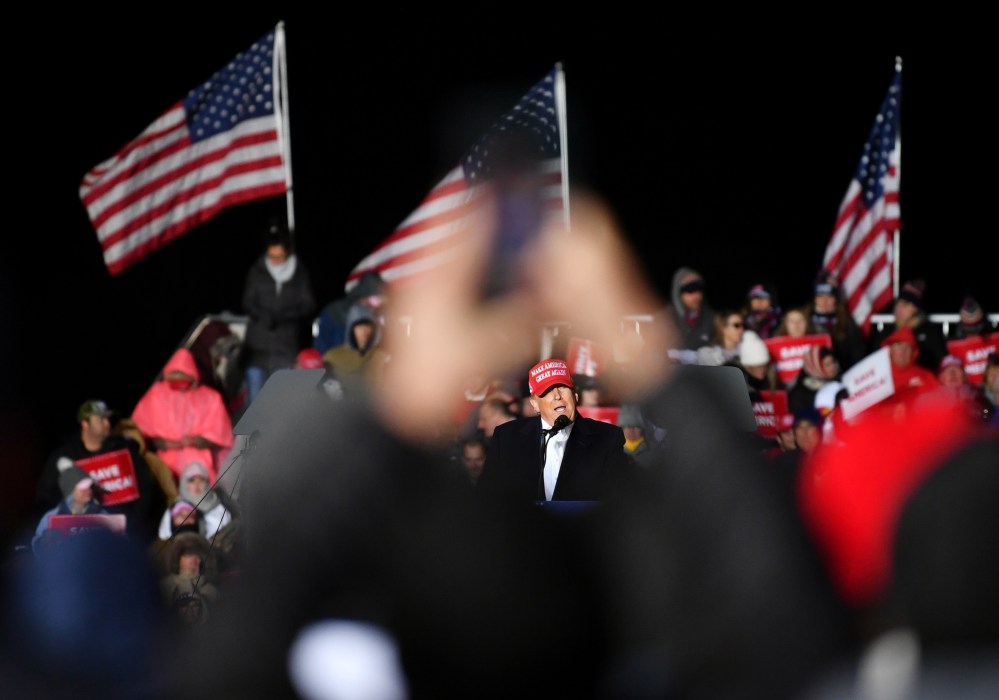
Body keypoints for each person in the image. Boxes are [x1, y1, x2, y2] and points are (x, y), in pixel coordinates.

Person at [168, 192, 852, 700]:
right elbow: (788, 621)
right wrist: (648, 362)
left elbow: (229, 662)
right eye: (548, 392)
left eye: (563, 392)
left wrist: (397, 408)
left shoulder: (601, 438)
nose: (557, 401)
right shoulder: (514, 438)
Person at [478, 357, 632, 503]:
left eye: (562, 387)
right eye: (547, 391)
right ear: (535, 405)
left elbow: (618, 502)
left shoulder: (606, 438)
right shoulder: (507, 438)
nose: (557, 396)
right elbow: (488, 498)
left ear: (575, 395)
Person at [34, 399, 163, 544]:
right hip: (75, 539)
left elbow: (147, 488)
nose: (107, 424)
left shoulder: (124, 451)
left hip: (121, 537)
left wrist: (131, 525)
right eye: (101, 419)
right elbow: (45, 495)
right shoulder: (65, 455)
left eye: (108, 419)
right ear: (85, 423)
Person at [131, 347, 235, 484]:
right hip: (167, 466)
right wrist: (161, 443)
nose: (180, 387)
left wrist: (197, 441)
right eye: (175, 383)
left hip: (200, 465)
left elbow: (222, 433)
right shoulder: (155, 395)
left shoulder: (209, 397)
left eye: (184, 382)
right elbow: (137, 430)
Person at [241, 219, 317, 405]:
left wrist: (285, 316)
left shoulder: (299, 272)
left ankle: (278, 435)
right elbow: (247, 302)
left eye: (280, 256)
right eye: (272, 255)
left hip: (285, 349)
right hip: (257, 349)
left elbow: (308, 306)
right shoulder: (257, 271)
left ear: (287, 251)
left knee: (281, 404)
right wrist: (262, 315)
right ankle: (254, 435)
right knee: (255, 402)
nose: (276, 260)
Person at [869, 278, 947, 373]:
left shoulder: (928, 332)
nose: (898, 308)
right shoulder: (886, 332)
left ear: (915, 309)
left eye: (905, 305)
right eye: (898, 303)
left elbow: (940, 361)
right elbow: (873, 361)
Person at [31, 466, 108, 554]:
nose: (88, 491)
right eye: (83, 488)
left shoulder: (102, 515)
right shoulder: (51, 517)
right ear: (70, 491)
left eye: (89, 486)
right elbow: (36, 545)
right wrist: (43, 541)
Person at [321, 301, 390, 392]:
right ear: (351, 328)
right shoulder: (333, 357)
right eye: (359, 326)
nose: (364, 331)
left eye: (368, 326)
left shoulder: (383, 357)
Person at [313, 270, 387, 355]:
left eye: (380, 300)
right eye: (375, 299)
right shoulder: (335, 311)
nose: (376, 304)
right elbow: (321, 344)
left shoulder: (378, 314)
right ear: (363, 295)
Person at [156, 461, 234, 541]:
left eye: (201, 479)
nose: (197, 484)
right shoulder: (174, 509)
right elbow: (164, 538)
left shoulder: (220, 510)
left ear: (207, 482)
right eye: (191, 480)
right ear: (184, 482)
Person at [806, 271, 867, 371]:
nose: (824, 301)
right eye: (820, 296)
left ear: (835, 299)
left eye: (829, 296)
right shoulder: (804, 319)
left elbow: (858, 355)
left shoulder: (846, 322)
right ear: (815, 299)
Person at [664, 266, 716, 360]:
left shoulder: (712, 318)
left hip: (703, 372)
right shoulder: (664, 318)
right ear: (678, 292)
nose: (696, 295)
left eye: (699, 288)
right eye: (689, 289)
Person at [616, 403, 658, 468]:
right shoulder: (612, 451)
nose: (632, 431)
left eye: (636, 426)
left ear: (642, 428)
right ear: (622, 428)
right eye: (628, 426)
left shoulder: (655, 450)